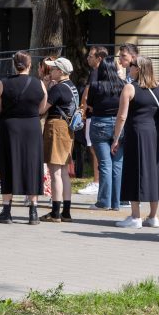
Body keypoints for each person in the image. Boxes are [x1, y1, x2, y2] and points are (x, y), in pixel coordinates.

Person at [111, 55, 159, 228]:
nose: (130, 67)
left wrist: (116, 138)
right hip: (154, 133)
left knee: (134, 170)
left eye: (133, 65)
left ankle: (135, 216)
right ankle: (153, 216)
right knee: (154, 171)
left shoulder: (130, 88)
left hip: (136, 133)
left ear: (139, 68)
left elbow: (122, 116)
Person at [0, 51, 48, 224]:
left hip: (10, 127)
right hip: (31, 127)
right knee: (32, 166)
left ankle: (6, 210)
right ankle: (33, 211)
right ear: (30, 65)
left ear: (13, 65)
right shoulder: (39, 83)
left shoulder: (3, 83)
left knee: (8, 165)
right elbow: (42, 107)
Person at [40, 57, 78, 223]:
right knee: (63, 171)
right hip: (68, 129)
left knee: (54, 170)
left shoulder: (58, 89)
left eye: (54, 69)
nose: (51, 71)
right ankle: (66, 212)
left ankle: (55, 212)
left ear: (61, 72)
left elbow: (42, 109)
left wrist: (46, 88)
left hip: (56, 127)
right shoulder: (72, 87)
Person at [84, 55, 124, 211]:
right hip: (119, 126)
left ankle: (103, 202)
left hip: (100, 123)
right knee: (117, 164)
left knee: (105, 164)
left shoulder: (96, 85)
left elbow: (90, 104)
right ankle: (117, 202)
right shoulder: (123, 85)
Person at [77, 46, 107, 197]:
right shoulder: (101, 72)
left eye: (90, 56)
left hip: (92, 115)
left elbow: (87, 95)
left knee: (94, 148)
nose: (88, 58)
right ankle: (99, 181)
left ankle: (97, 181)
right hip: (96, 115)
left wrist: (82, 112)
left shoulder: (95, 73)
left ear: (98, 58)